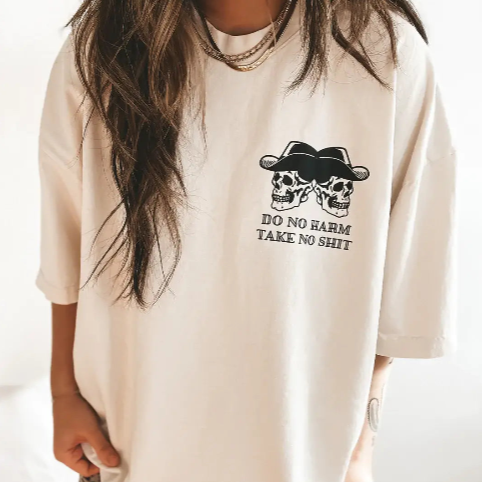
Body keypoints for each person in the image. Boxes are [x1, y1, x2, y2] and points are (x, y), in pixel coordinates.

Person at [36, 0, 458, 481]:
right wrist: (63, 393)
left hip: (305, 455)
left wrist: (361, 445)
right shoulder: (106, 45)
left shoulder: (383, 51)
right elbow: (66, 239)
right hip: (128, 441)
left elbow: (405, 270)